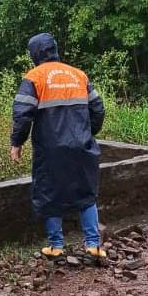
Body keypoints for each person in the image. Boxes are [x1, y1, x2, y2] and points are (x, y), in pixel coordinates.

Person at [10, 32, 107, 262]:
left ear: (34, 54)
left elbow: (22, 115)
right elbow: (98, 109)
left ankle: (56, 246)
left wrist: (17, 143)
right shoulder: (78, 75)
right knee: (86, 193)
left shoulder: (34, 78)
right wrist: (87, 133)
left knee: (48, 193)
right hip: (82, 146)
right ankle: (93, 246)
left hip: (50, 149)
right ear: (54, 49)